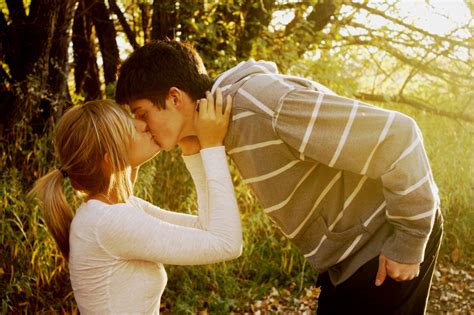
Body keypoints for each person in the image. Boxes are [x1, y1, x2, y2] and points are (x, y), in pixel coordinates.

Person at [115, 40, 443, 315]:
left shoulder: (265, 105)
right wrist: (195, 147)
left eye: (142, 114)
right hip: (345, 261)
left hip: (382, 243)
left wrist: (409, 240)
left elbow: (399, 135)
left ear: (174, 97)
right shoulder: (220, 125)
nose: (141, 128)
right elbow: (210, 224)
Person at [29, 95, 242, 314]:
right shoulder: (108, 222)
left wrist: (193, 151)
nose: (144, 124)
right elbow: (226, 243)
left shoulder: (116, 210)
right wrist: (212, 146)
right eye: (130, 127)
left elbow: (205, 229)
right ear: (110, 160)